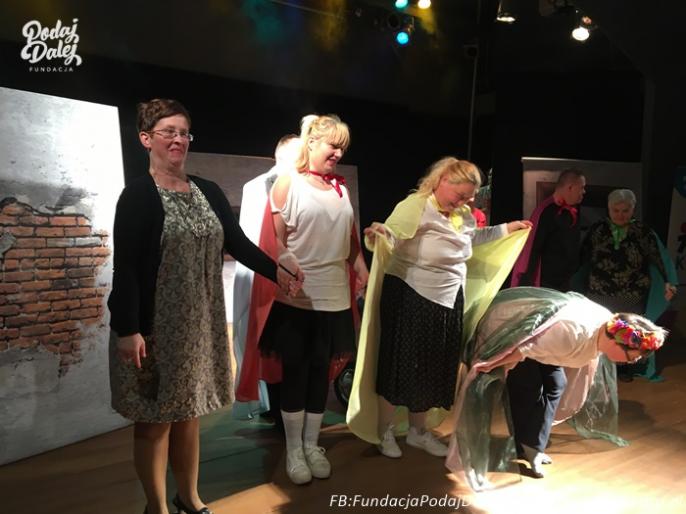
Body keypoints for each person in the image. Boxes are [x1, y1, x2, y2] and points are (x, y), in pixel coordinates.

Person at [108, 99, 301, 514]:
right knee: (155, 421)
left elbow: (238, 243)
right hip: (155, 328)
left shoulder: (207, 191)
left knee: (189, 415)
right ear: (146, 139)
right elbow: (125, 267)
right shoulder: (138, 196)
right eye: (168, 132)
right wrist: (127, 328)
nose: (178, 139)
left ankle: (190, 497)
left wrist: (276, 270)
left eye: (184, 132)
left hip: (199, 326)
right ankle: (157, 506)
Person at [346, 157, 531, 460]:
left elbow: (472, 237)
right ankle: (385, 431)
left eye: (470, 196)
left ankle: (418, 432)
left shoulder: (462, 215)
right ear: (443, 180)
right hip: (410, 297)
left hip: (447, 300)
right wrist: (379, 234)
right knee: (399, 368)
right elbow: (392, 235)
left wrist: (506, 229)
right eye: (461, 194)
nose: (465, 201)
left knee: (431, 370)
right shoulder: (416, 206)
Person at [237, 114, 369, 485]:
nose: (338, 152)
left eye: (342, 147)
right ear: (311, 143)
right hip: (298, 300)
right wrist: (286, 258)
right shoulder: (288, 183)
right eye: (333, 144)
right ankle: (294, 450)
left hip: (335, 298)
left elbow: (349, 243)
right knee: (296, 373)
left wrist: (363, 269)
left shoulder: (340, 189)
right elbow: (275, 241)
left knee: (320, 375)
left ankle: (312, 445)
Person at [446, 287, 667, 490]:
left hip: (545, 335)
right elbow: (524, 347)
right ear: (617, 342)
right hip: (516, 330)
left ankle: (532, 445)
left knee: (556, 385)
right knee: (528, 389)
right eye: (631, 357)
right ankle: (527, 447)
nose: (631, 362)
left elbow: (562, 351)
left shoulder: (601, 329)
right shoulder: (573, 333)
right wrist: (493, 362)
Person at [232, 134, 301, 427]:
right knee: (271, 345)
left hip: (294, 275)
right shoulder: (258, 187)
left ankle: (286, 409)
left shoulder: (304, 186)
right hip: (265, 275)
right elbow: (250, 235)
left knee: (288, 345)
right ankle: (275, 408)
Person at [579, 189, 677, 381]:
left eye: (625, 210)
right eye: (616, 210)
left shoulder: (642, 232)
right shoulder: (597, 230)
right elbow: (582, 256)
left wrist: (668, 281)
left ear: (633, 210)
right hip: (599, 291)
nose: (620, 215)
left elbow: (657, 257)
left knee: (628, 331)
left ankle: (624, 368)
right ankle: (599, 367)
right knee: (602, 329)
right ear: (609, 209)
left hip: (632, 292)